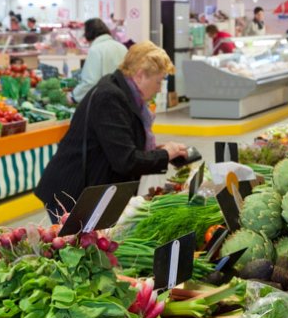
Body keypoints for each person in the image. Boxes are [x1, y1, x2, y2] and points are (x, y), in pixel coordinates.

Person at [35, 41, 189, 222]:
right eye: (158, 81)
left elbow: (122, 145)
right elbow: (125, 160)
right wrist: (164, 154)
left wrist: (162, 153)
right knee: (75, 247)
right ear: (140, 75)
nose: (159, 88)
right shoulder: (110, 97)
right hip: (73, 192)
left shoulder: (123, 93)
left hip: (91, 187)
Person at [71, 18, 129, 103]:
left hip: (104, 101)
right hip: (123, 99)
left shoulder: (96, 50)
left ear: (89, 33)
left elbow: (90, 82)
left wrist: (74, 97)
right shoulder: (122, 47)